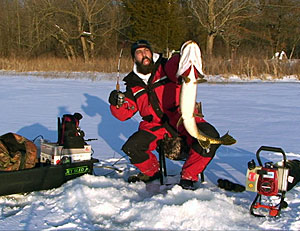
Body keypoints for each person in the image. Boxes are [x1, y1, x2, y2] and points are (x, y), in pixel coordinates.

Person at [108, 39, 221, 190]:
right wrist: (116, 103)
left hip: (181, 119)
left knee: (210, 137)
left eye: (146, 50)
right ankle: (153, 172)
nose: (144, 54)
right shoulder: (133, 83)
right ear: (134, 58)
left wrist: (182, 56)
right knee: (132, 147)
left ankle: (189, 175)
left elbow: (178, 67)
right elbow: (123, 114)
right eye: (139, 52)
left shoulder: (166, 67)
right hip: (154, 126)